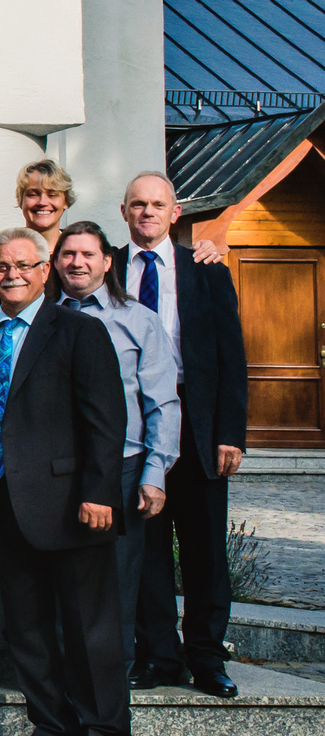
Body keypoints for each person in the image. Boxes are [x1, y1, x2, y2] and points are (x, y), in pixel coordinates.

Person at [0, 226, 129, 736]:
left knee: (88, 626)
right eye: (1, 268)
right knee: (27, 626)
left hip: (71, 503)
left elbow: (106, 421)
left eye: (22, 265)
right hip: (5, 501)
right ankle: (51, 727)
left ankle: (104, 734)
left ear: (45, 269)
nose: (11, 275)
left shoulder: (80, 332)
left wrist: (100, 492)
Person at [118, 173, 249, 699]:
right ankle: (157, 656)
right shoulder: (107, 267)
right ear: (124, 211)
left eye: (157, 205)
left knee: (205, 549)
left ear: (175, 213)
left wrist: (229, 433)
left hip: (195, 424)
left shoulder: (204, 269)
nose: (147, 213)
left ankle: (207, 657)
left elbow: (230, 356)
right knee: (145, 548)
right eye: (138, 205)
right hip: (134, 422)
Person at [52, 218, 179, 726]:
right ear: (55, 263)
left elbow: (162, 402)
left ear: (108, 261)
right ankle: (64, 707)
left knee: (113, 597)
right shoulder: (44, 318)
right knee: (61, 592)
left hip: (123, 470)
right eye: (67, 254)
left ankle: (107, 719)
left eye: (87, 254)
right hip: (58, 474)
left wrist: (155, 472)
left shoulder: (138, 319)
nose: (77, 263)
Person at [0, 158, 74, 326]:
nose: (42, 202)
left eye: (52, 194)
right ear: (20, 201)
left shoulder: (79, 254)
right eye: (33, 194)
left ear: (66, 201)